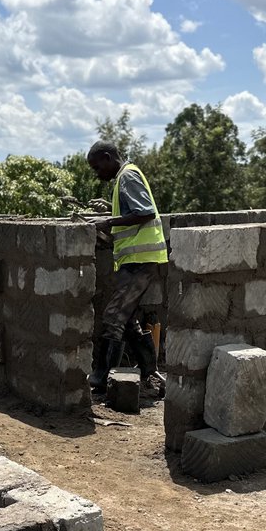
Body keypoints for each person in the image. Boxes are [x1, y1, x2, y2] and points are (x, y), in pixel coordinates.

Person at [86, 140, 166, 399]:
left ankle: (99, 379)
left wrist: (107, 221)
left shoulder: (127, 176)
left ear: (109, 158)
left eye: (98, 168)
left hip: (140, 261)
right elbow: (133, 213)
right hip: (137, 260)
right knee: (128, 319)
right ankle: (149, 372)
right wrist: (109, 210)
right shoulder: (125, 177)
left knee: (113, 316)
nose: (98, 174)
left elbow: (145, 213)